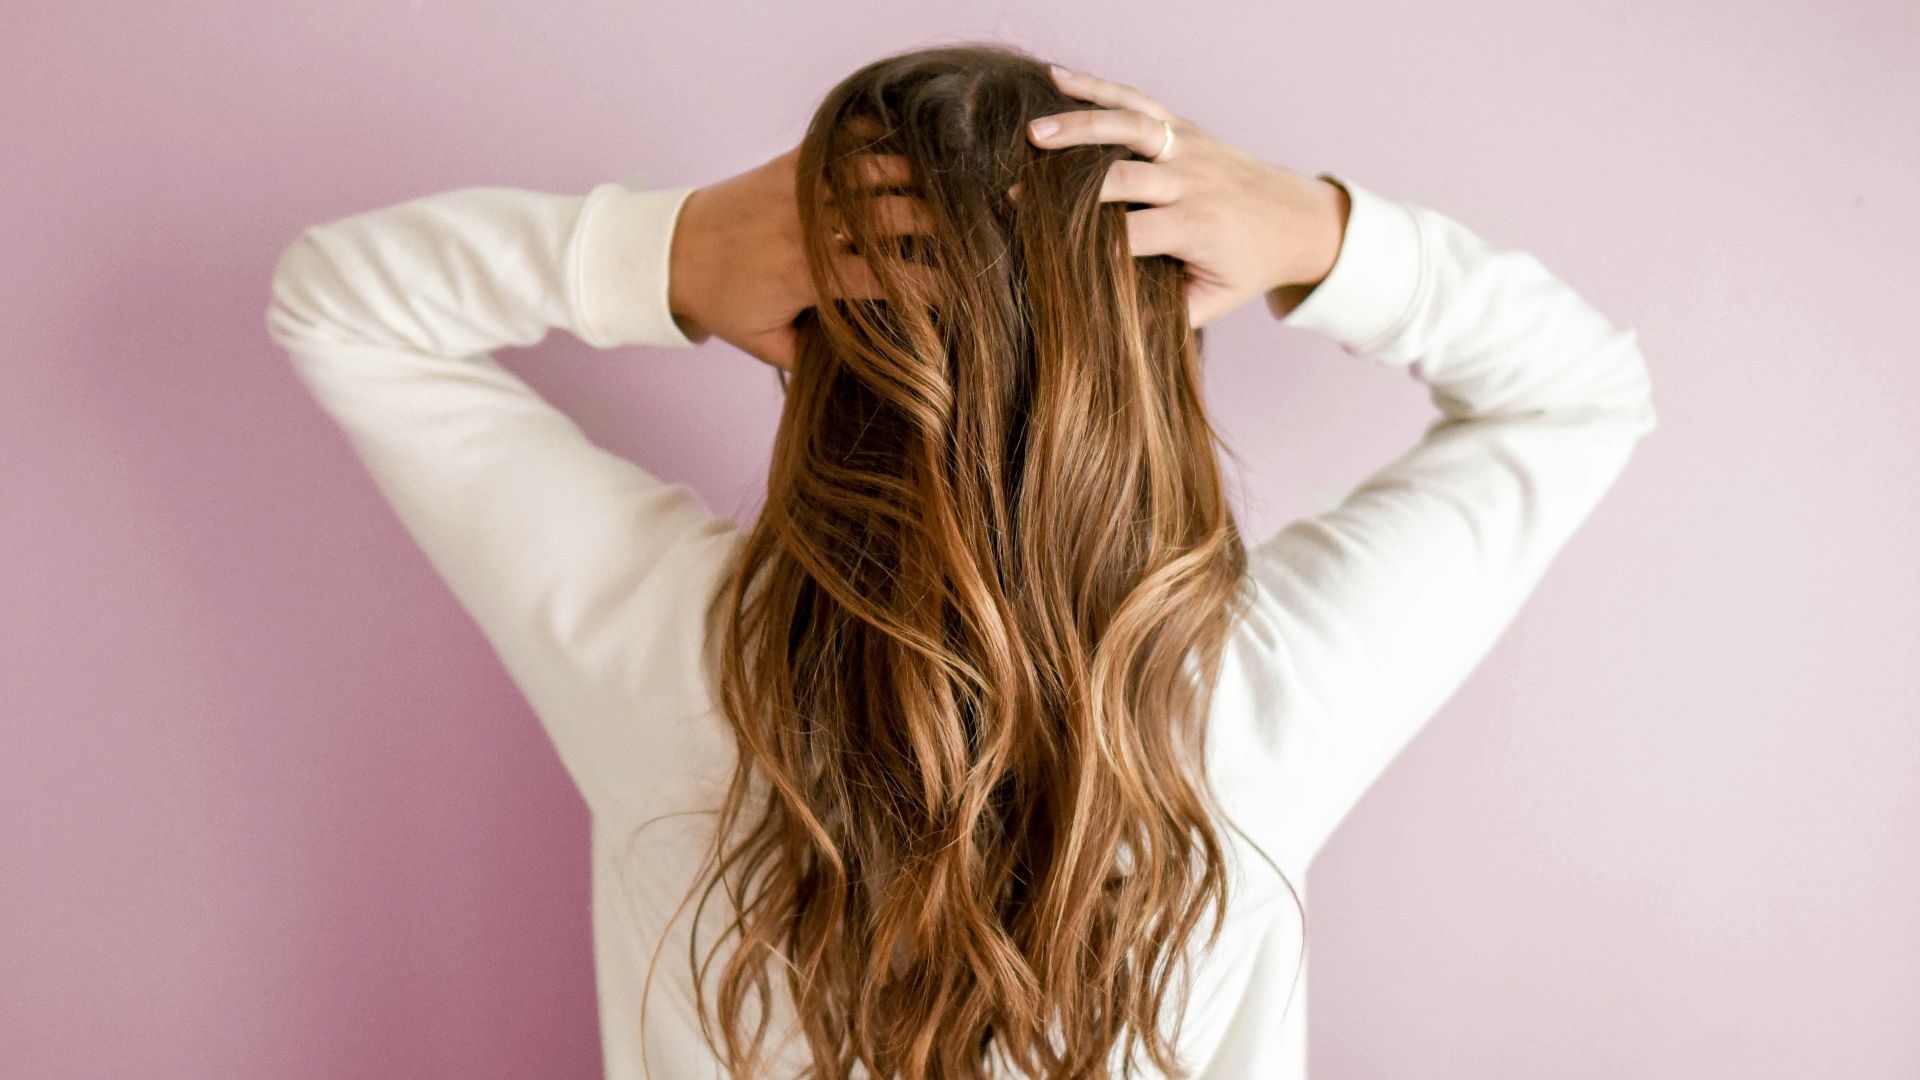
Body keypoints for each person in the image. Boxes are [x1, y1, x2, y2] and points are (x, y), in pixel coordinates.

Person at [265, 42, 1657, 1080]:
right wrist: (1316, 234)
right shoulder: (1251, 709)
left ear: (810, 338)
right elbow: (1581, 393)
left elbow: (339, 305)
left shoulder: (674, 664)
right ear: (1157, 358)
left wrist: (670, 250)